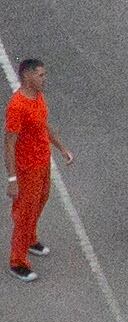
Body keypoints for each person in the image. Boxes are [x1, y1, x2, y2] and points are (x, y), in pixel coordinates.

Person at [7, 59, 72, 279]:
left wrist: (61, 148)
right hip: (27, 168)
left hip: (42, 161)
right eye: (41, 75)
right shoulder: (17, 106)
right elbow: (9, 144)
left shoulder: (38, 97)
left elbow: (44, 124)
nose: (45, 79)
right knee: (25, 211)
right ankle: (17, 261)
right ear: (28, 76)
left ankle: (30, 238)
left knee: (41, 200)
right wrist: (12, 179)